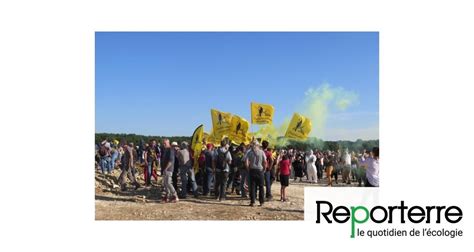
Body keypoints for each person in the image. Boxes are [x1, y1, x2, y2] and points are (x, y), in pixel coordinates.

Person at [244, 140, 267, 207]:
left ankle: (253, 202)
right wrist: (264, 169)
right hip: (260, 170)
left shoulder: (249, 152)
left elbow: (246, 162)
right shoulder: (262, 152)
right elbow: (265, 162)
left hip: (252, 170)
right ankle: (261, 202)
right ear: (258, 145)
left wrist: (248, 168)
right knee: (261, 187)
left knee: (252, 187)